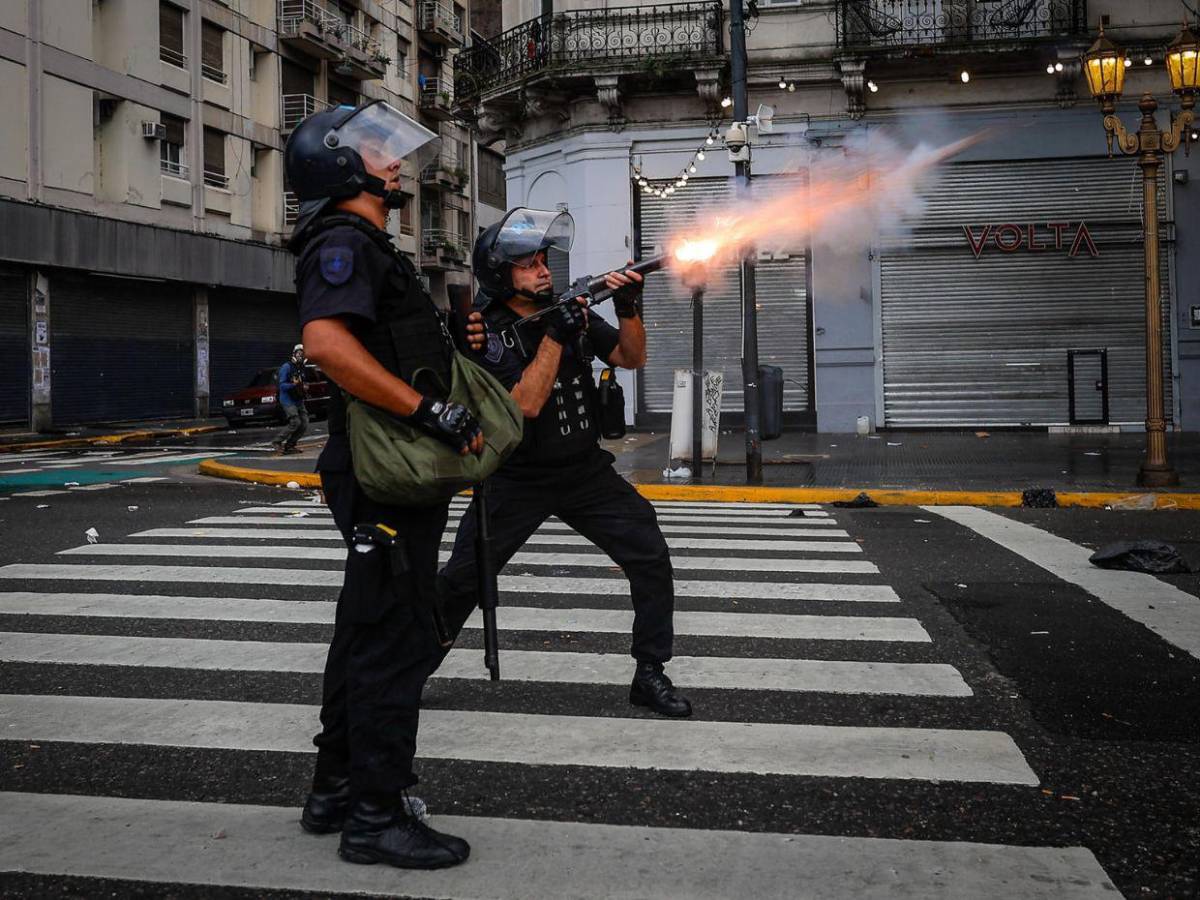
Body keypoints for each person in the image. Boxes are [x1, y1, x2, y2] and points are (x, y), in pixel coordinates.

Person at [285, 100, 487, 870]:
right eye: (377, 151)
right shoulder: (343, 242)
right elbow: (326, 343)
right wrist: (429, 410)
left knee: (362, 630)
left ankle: (335, 789)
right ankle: (375, 816)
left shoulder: (369, 245)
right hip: (383, 473)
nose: (394, 161)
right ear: (341, 166)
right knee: (394, 641)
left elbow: (384, 345)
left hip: (385, 472)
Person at [436, 208, 692, 718]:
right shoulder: (484, 332)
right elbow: (525, 405)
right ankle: (405, 670)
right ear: (500, 274)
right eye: (529, 264)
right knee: (465, 577)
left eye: (543, 260)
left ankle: (650, 672)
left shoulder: (568, 310)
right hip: (517, 476)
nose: (543, 270)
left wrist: (628, 307)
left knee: (648, 551)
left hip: (582, 470)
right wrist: (554, 336)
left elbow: (630, 358)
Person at [271, 343, 309, 454]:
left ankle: (290, 445)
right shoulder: (286, 367)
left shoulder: (302, 368)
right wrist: (294, 385)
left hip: (298, 399)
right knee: (295, 422)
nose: (300, 356)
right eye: (299, 353)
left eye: (302, 354)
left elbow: (302, 382)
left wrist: (304, 386)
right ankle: (277, 441)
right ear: (294, 354)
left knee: (304, 423)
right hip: (287, 399)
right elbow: (282, 385)